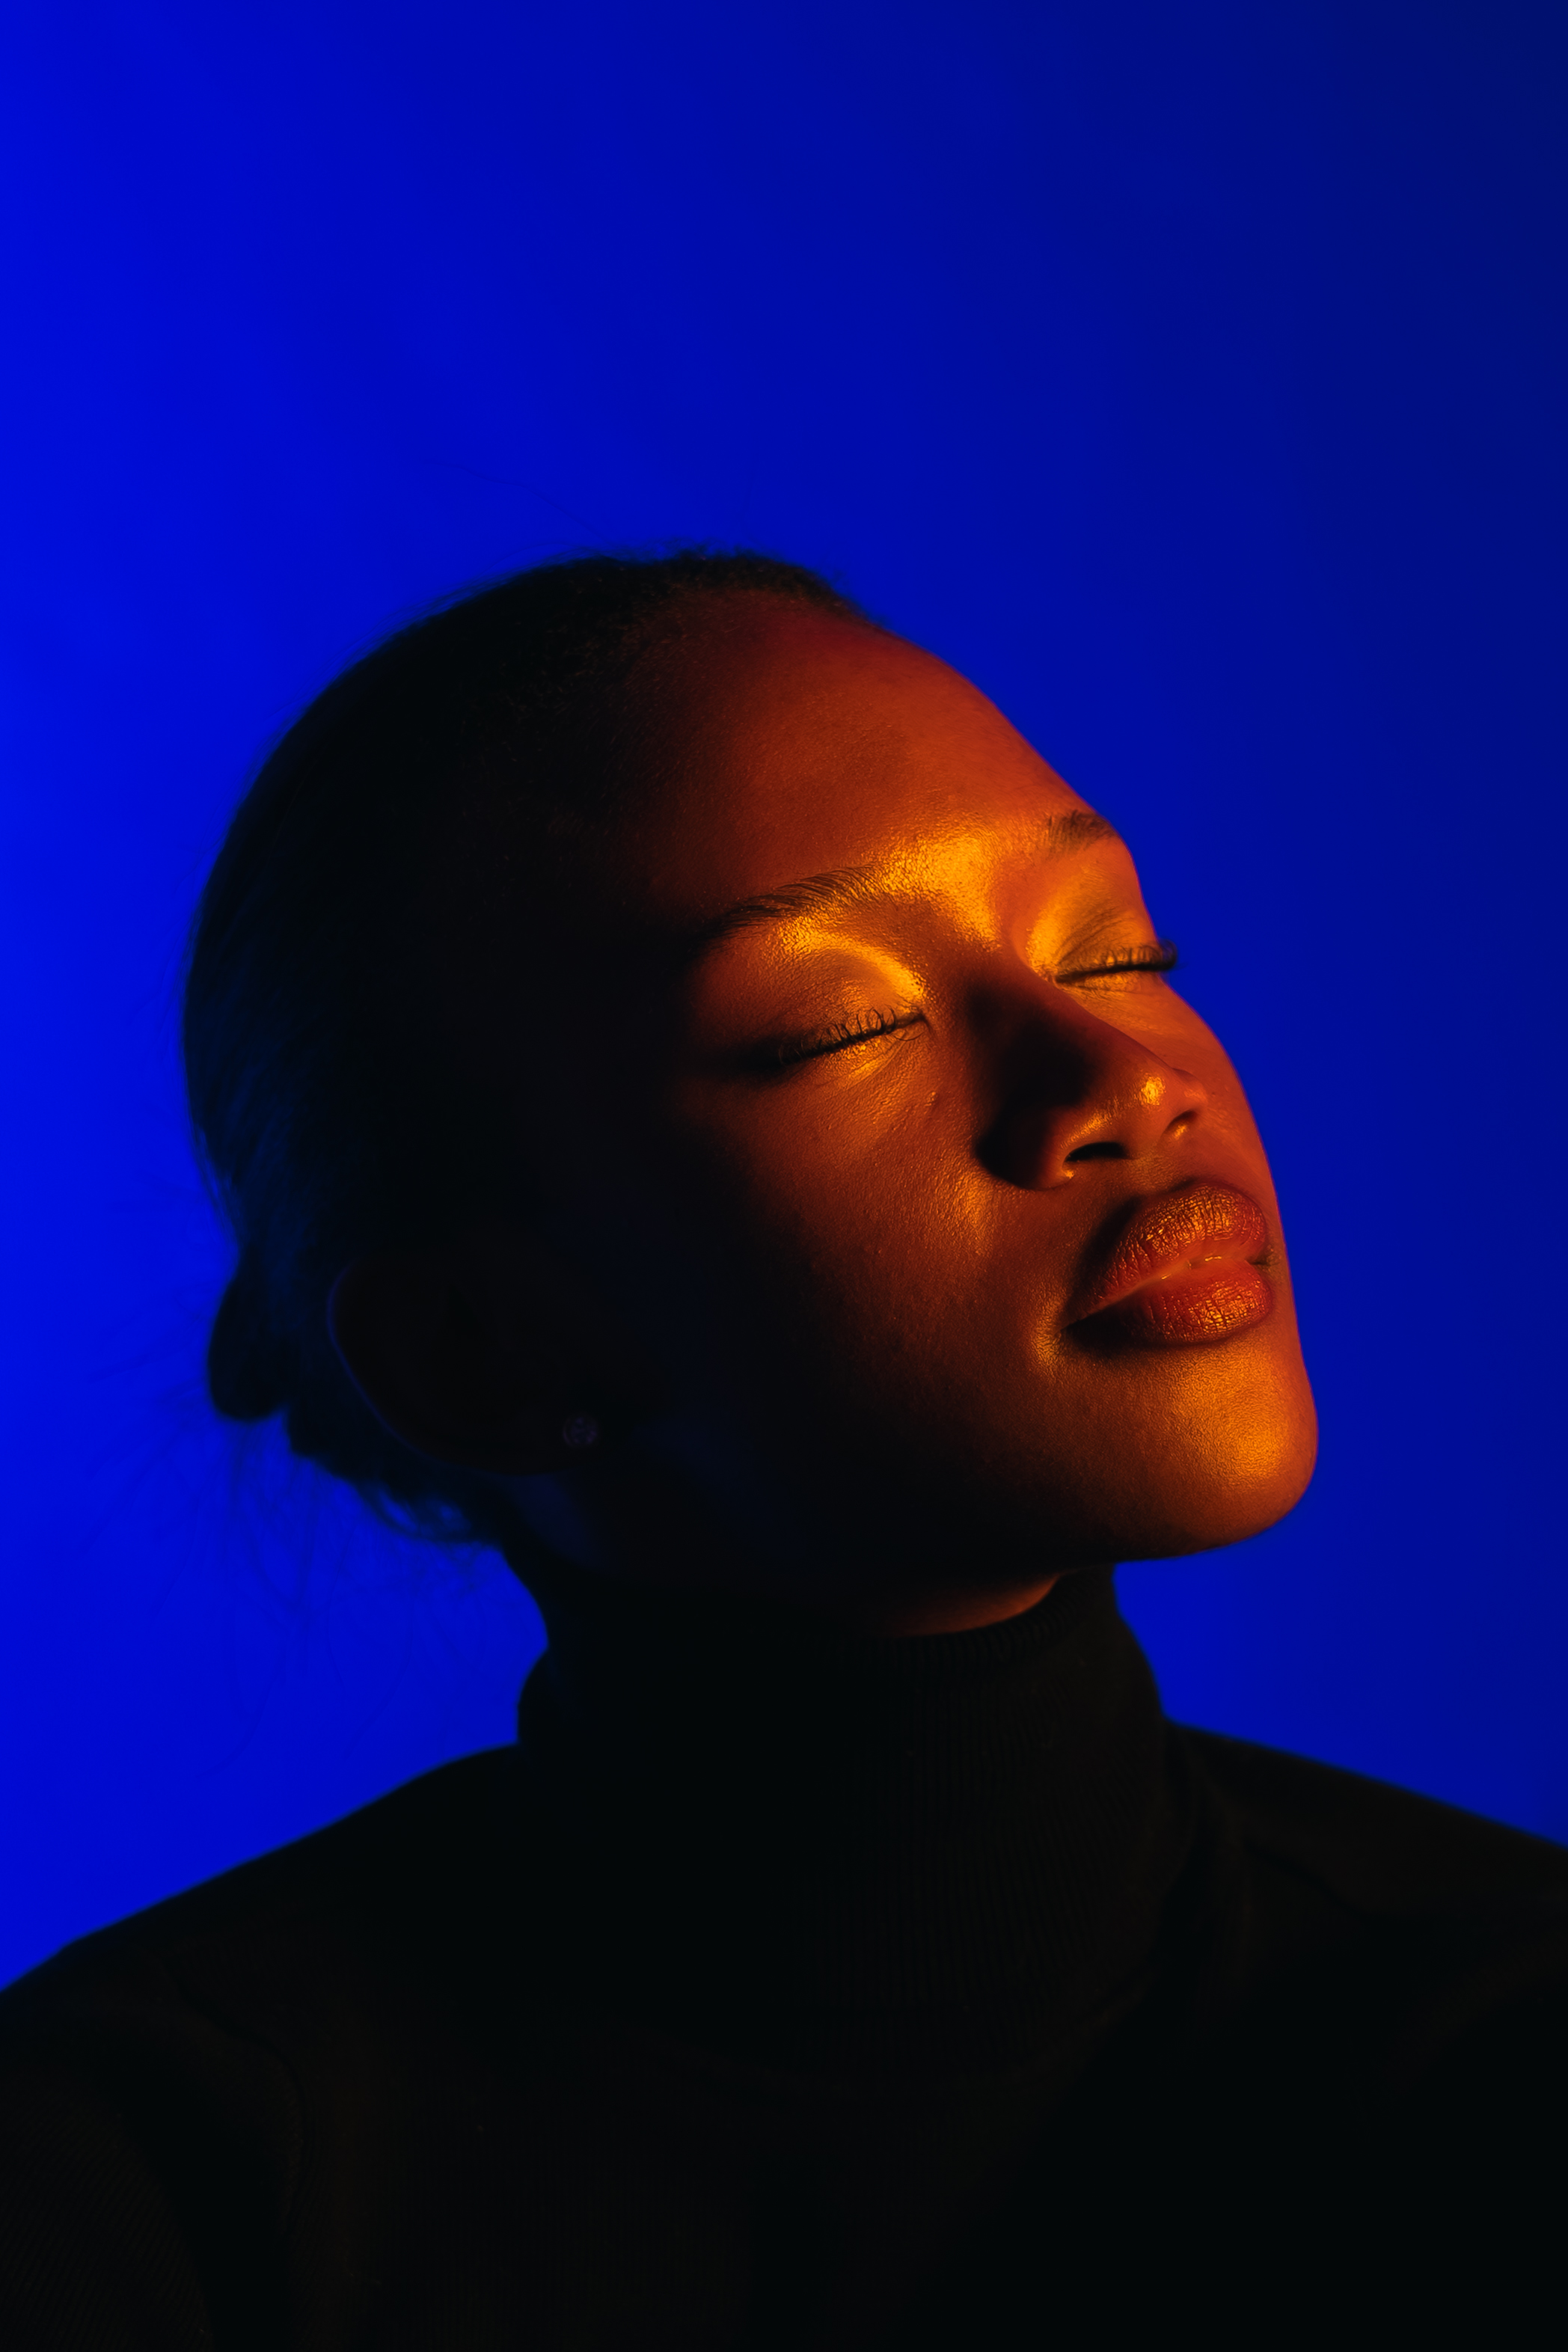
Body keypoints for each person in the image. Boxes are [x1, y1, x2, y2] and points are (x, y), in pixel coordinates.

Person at [1, 549, 1563, 2348]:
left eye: (1115, 946)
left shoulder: (1509, 2040)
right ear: (483, 1351)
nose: (1121, 1076)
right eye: (846, 1022)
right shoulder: (139, 2192)